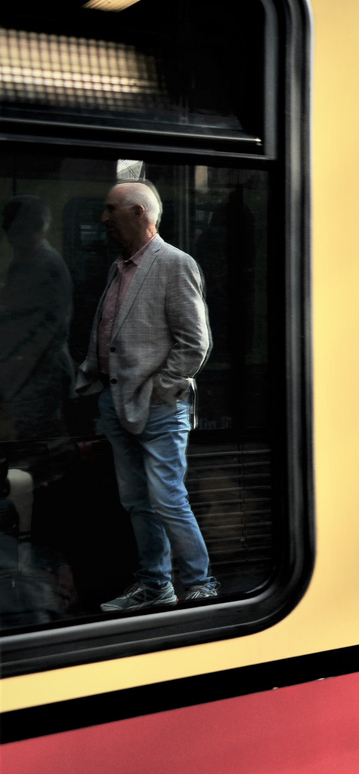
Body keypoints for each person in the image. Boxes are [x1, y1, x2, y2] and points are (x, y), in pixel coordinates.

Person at [75, 179, 215, 612]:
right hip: (116, 401)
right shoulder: (121, 266)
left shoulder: (174, 263)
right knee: (137, 502)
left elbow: (195, 342)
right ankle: (157, 586)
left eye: (111, 209)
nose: (103, 219)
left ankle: (200, 584)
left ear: (139, 213)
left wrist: (160, 388)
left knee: (167, 499)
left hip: (157, 406)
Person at [0, 196, 73, 441]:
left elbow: (39, 327)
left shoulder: (43, 265)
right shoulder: (26, 261)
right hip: (31, 371)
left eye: (16, 229)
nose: (10, 238)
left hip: (39, 373)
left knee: (39, 440)